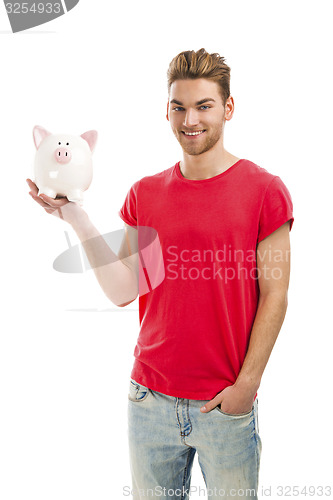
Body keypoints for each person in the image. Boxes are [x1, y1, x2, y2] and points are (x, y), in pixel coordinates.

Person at [27, 48, 294, 499]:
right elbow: (124, 290)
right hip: (148, 400)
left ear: (228, 108)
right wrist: (75, 216)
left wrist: (246, 387)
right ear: (167, 110)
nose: (190, 119)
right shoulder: (146, 194)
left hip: (224, 404)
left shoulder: (265, 192)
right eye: (179, 106)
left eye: (204, 106)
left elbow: (276, 296)